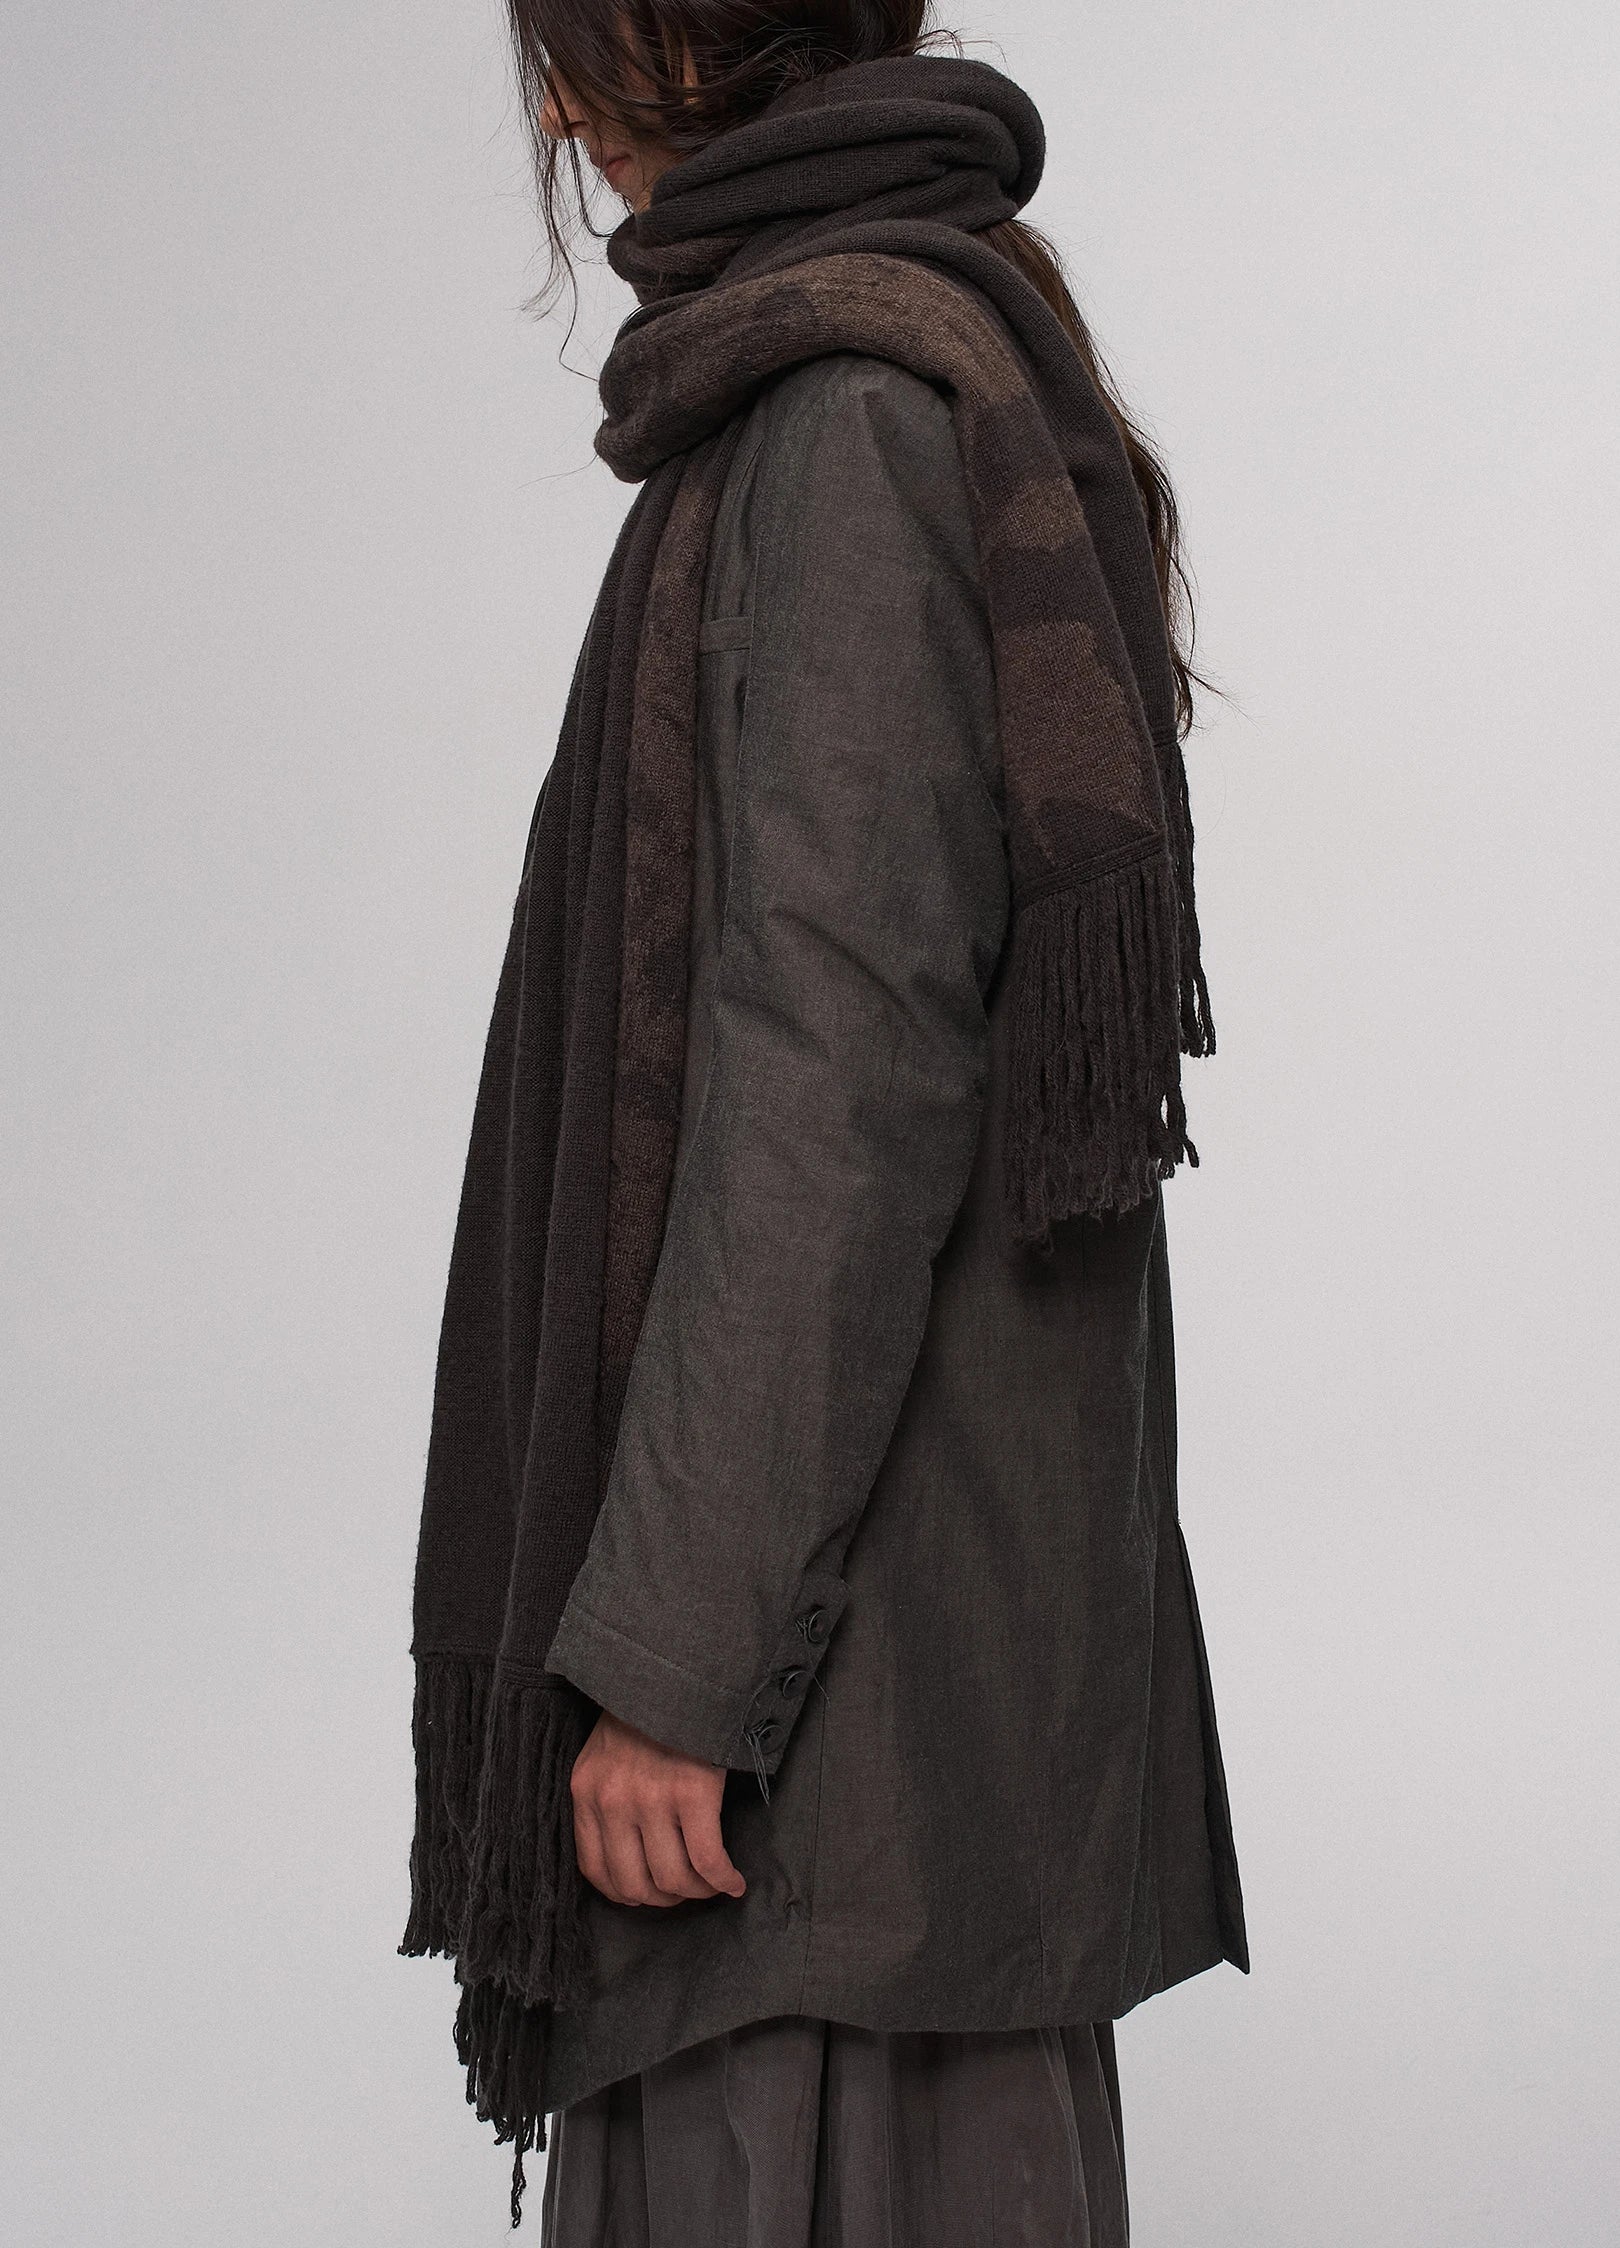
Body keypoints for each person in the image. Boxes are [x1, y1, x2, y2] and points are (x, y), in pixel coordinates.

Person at [400, 6, 1248, 2242]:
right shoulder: (899, 361)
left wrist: (675, 1667)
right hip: (892, 1660)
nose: (556, 119)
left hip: (831, 1716)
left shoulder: (849, 419)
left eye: (567, 64)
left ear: (650, 72)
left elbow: (837, 1077)